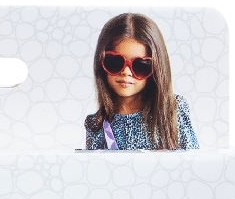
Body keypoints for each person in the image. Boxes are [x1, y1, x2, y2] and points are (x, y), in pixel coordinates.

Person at [84, 13, 198, 150]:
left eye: (140, 65)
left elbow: (193, 161)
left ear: (156, 68)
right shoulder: (96, 124)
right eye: (115, 62)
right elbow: (93, 164)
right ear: (100, 62)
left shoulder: (172, 111)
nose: (126, 72)